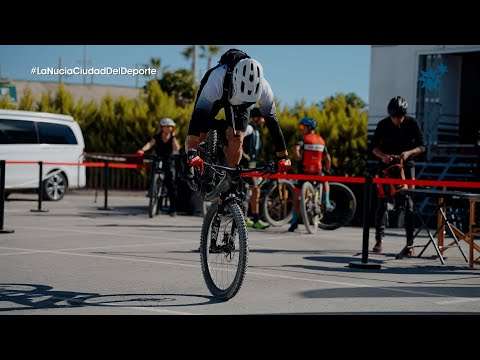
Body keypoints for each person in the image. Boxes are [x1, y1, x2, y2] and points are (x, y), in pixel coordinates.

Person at [182, 48, 291, 197]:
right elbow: (197, 118)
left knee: (237, 140)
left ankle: (230, 180)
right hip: (219, 95)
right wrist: (192, 153)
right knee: (200, 133)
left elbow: (272, 123)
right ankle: (189, 166)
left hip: (239, 107)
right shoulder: (216, 79)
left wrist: (283, 157)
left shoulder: (265, 88)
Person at [370, 96, 426, 256]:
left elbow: (422, 146)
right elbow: (373, 147)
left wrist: (408, 153)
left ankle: (410, 244)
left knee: (408, 206)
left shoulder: (412, 124)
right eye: (393, 116)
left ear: (404, 114)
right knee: (381, 204)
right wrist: (382, 156)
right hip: (385, 167)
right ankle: (378, 240)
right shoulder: (383, 124)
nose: (396, 120)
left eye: (399, 117)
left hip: (406, 167)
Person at [288, 117, 333, 232]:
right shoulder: (321, 140)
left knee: (297, 197)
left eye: (302, 127)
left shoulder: (304, 138)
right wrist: (327, 170)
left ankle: (293, 222)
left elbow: (296, 148)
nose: (301, 129)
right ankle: (327, 202)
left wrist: (297, 157)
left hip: (304, 172)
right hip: (317, 172)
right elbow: (327, 159)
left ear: (309, 127)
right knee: (325, 181)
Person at [137, 117, 180, 216]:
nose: (170, 128)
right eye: (168, 126)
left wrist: (173, 138)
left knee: (171, 185)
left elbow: (177, 148)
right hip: (158, 158)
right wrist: (142, 150)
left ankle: (173, 209)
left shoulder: (173, 137)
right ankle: (156, 205)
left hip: (168, 160)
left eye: (171, 127)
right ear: (162, 127)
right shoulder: (157, 137)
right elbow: (149, 144)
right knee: (154, 178)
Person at [241, 107, 270, 230]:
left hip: (252, 164)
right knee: (255, 191)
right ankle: (254, 219)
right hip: (246, 165)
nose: (264, 121)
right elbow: (239, 139)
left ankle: (250, 218)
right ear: (256, 118)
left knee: (251, 191)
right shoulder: (249, 128)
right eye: (262, 118)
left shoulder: (256, 130)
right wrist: (243, 155)